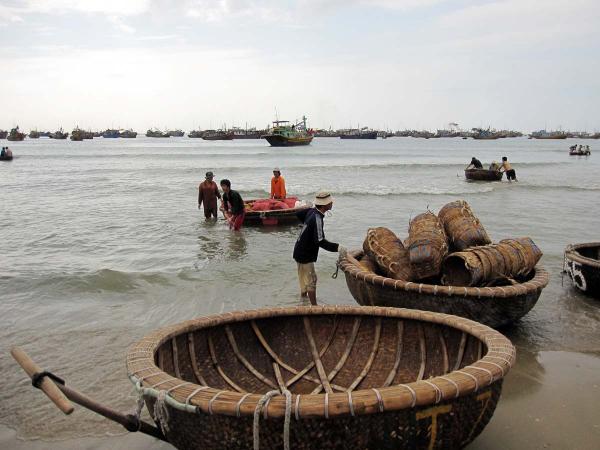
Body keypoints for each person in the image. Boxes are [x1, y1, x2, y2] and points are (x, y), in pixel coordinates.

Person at [293, 191, 346, 305]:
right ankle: (314, 306)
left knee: (303, 278)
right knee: (312, 280)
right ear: (325, 205)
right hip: (305, 254)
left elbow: (298, 214)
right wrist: (338, 247)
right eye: (330, 202)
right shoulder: (317, 218)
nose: (332, 203)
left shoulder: (312, 211)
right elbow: (320, 241)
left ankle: (303, 301)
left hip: (298, 250)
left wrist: (307, 226)